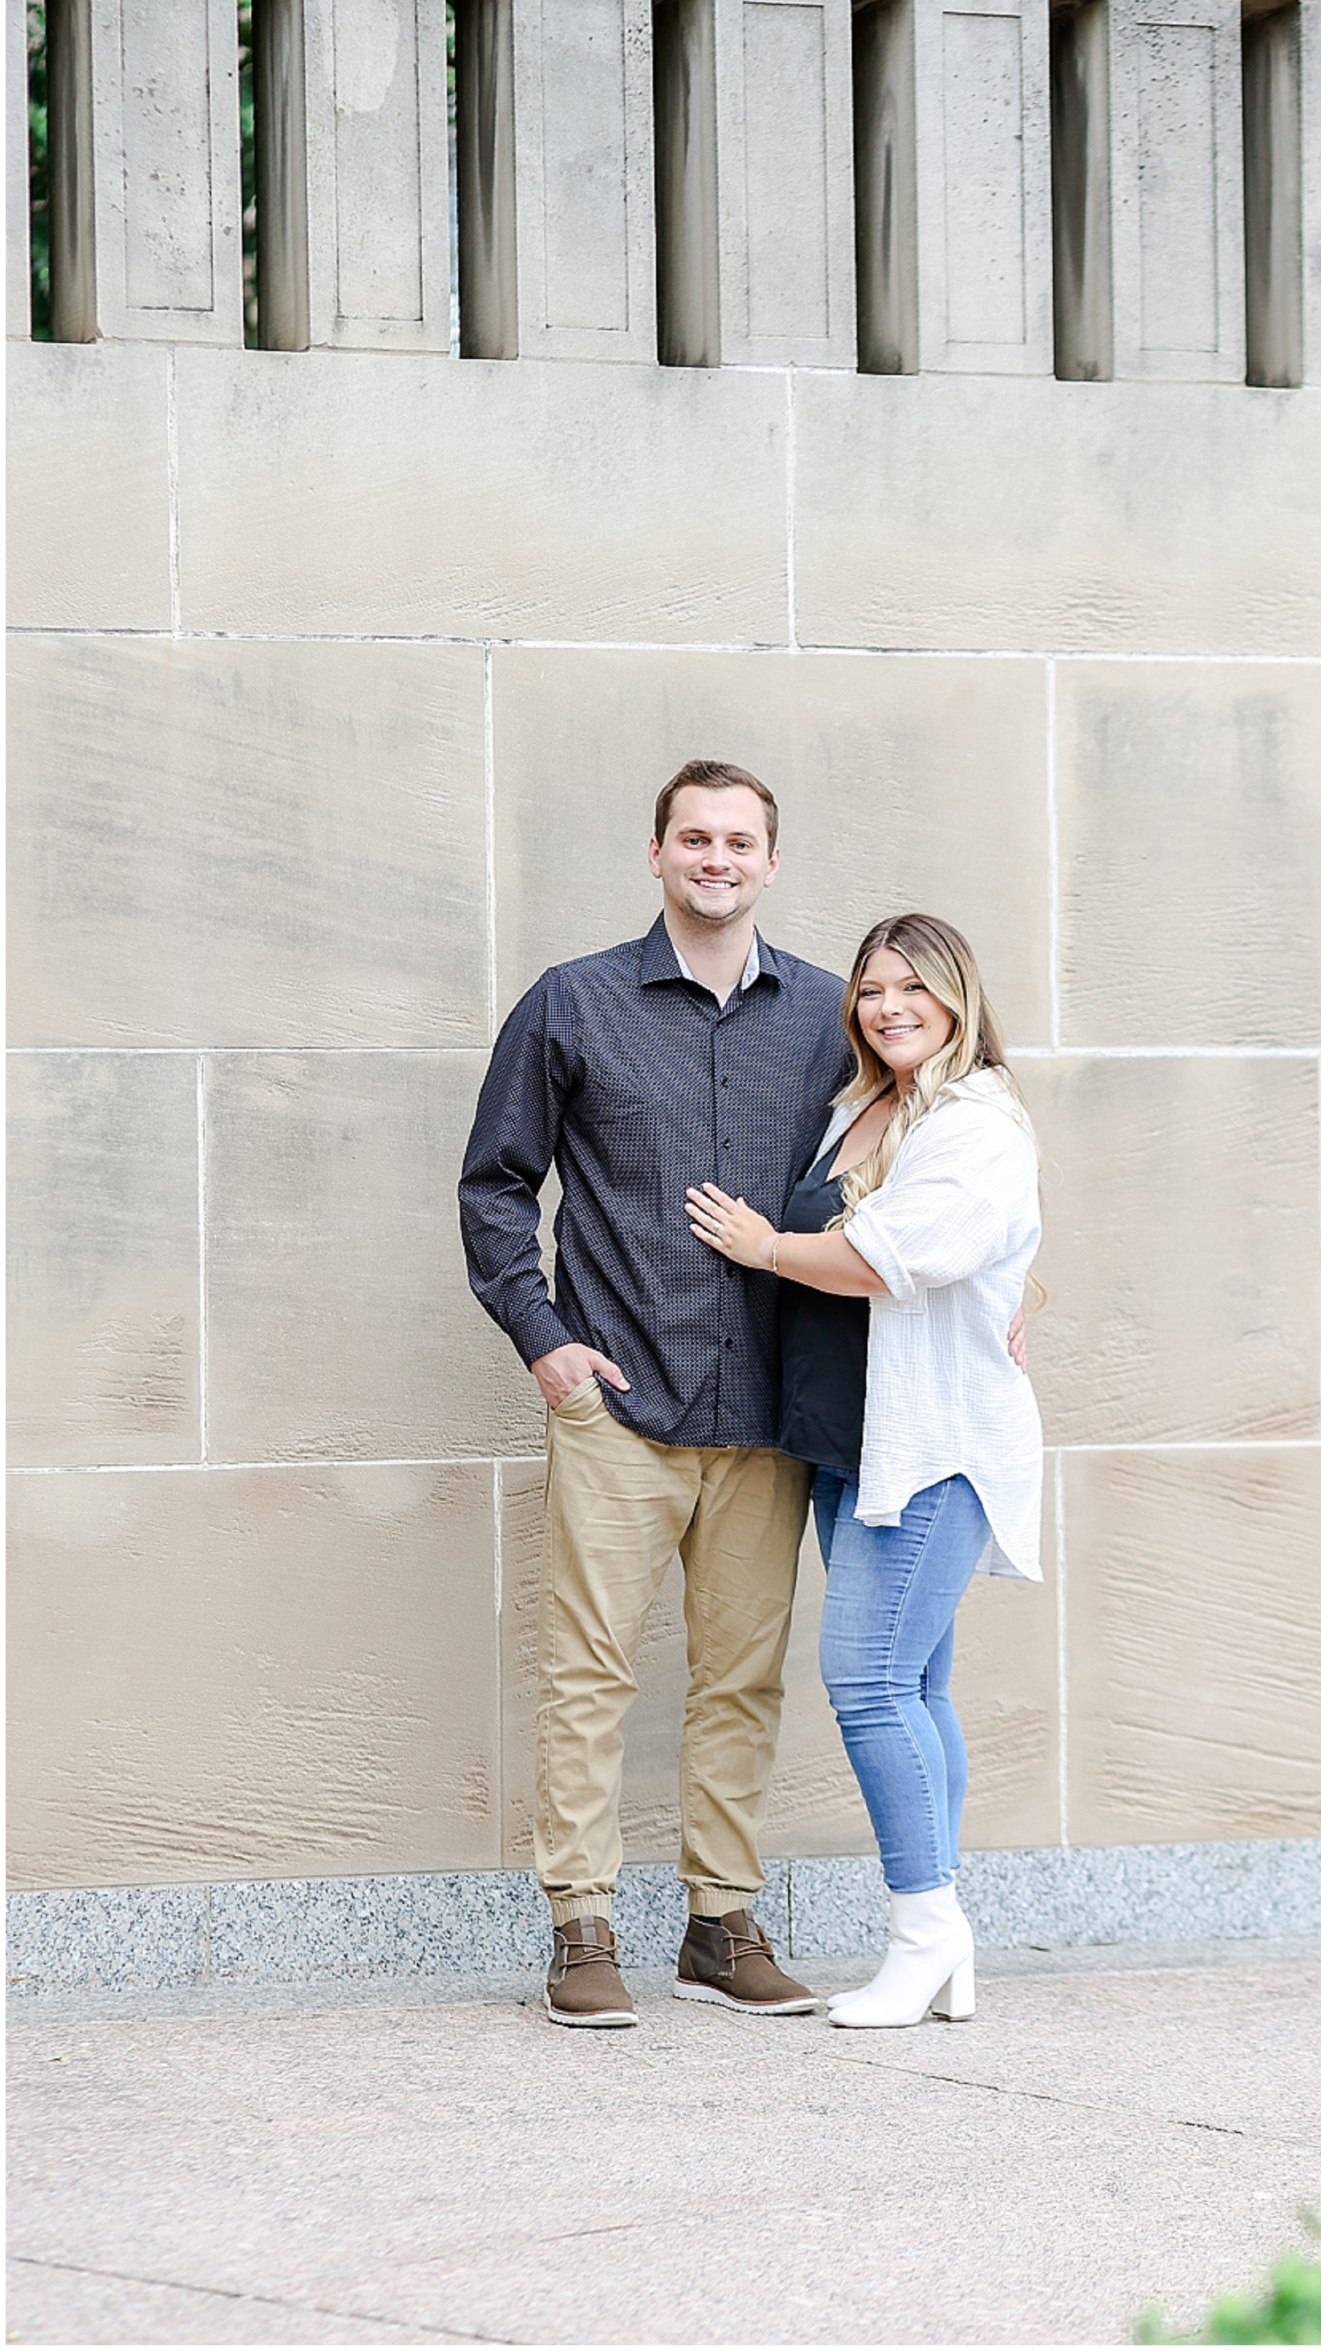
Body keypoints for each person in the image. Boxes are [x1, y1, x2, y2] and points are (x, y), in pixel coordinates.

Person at [459, 759, 851, 2027]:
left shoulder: (834, 1014)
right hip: (619, 1396)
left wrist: (995, 1287)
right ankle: (581, 1930)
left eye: (742, 840)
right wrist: (544, 1339)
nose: (718, 859)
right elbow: (495, 1185)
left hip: (769, 1411)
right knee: (590, 1673)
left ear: (772, 863)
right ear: (658, 854)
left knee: (743, 1680)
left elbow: (914, 1168)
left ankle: (721, 1925)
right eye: (697, 838)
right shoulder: (572, 1003)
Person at [684, 913, 1044, 2029]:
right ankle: (950, 1940)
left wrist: (767, 1248)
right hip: (852, 1445)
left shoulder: (977, 1119)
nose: (889, 1005)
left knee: (870, 1680)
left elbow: (907, 1253)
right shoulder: (864, 1104)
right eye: (873, 988)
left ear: (958, 995)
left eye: (912, 987)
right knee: (918, 1686)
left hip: (930, 1449)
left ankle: (924, 1928)